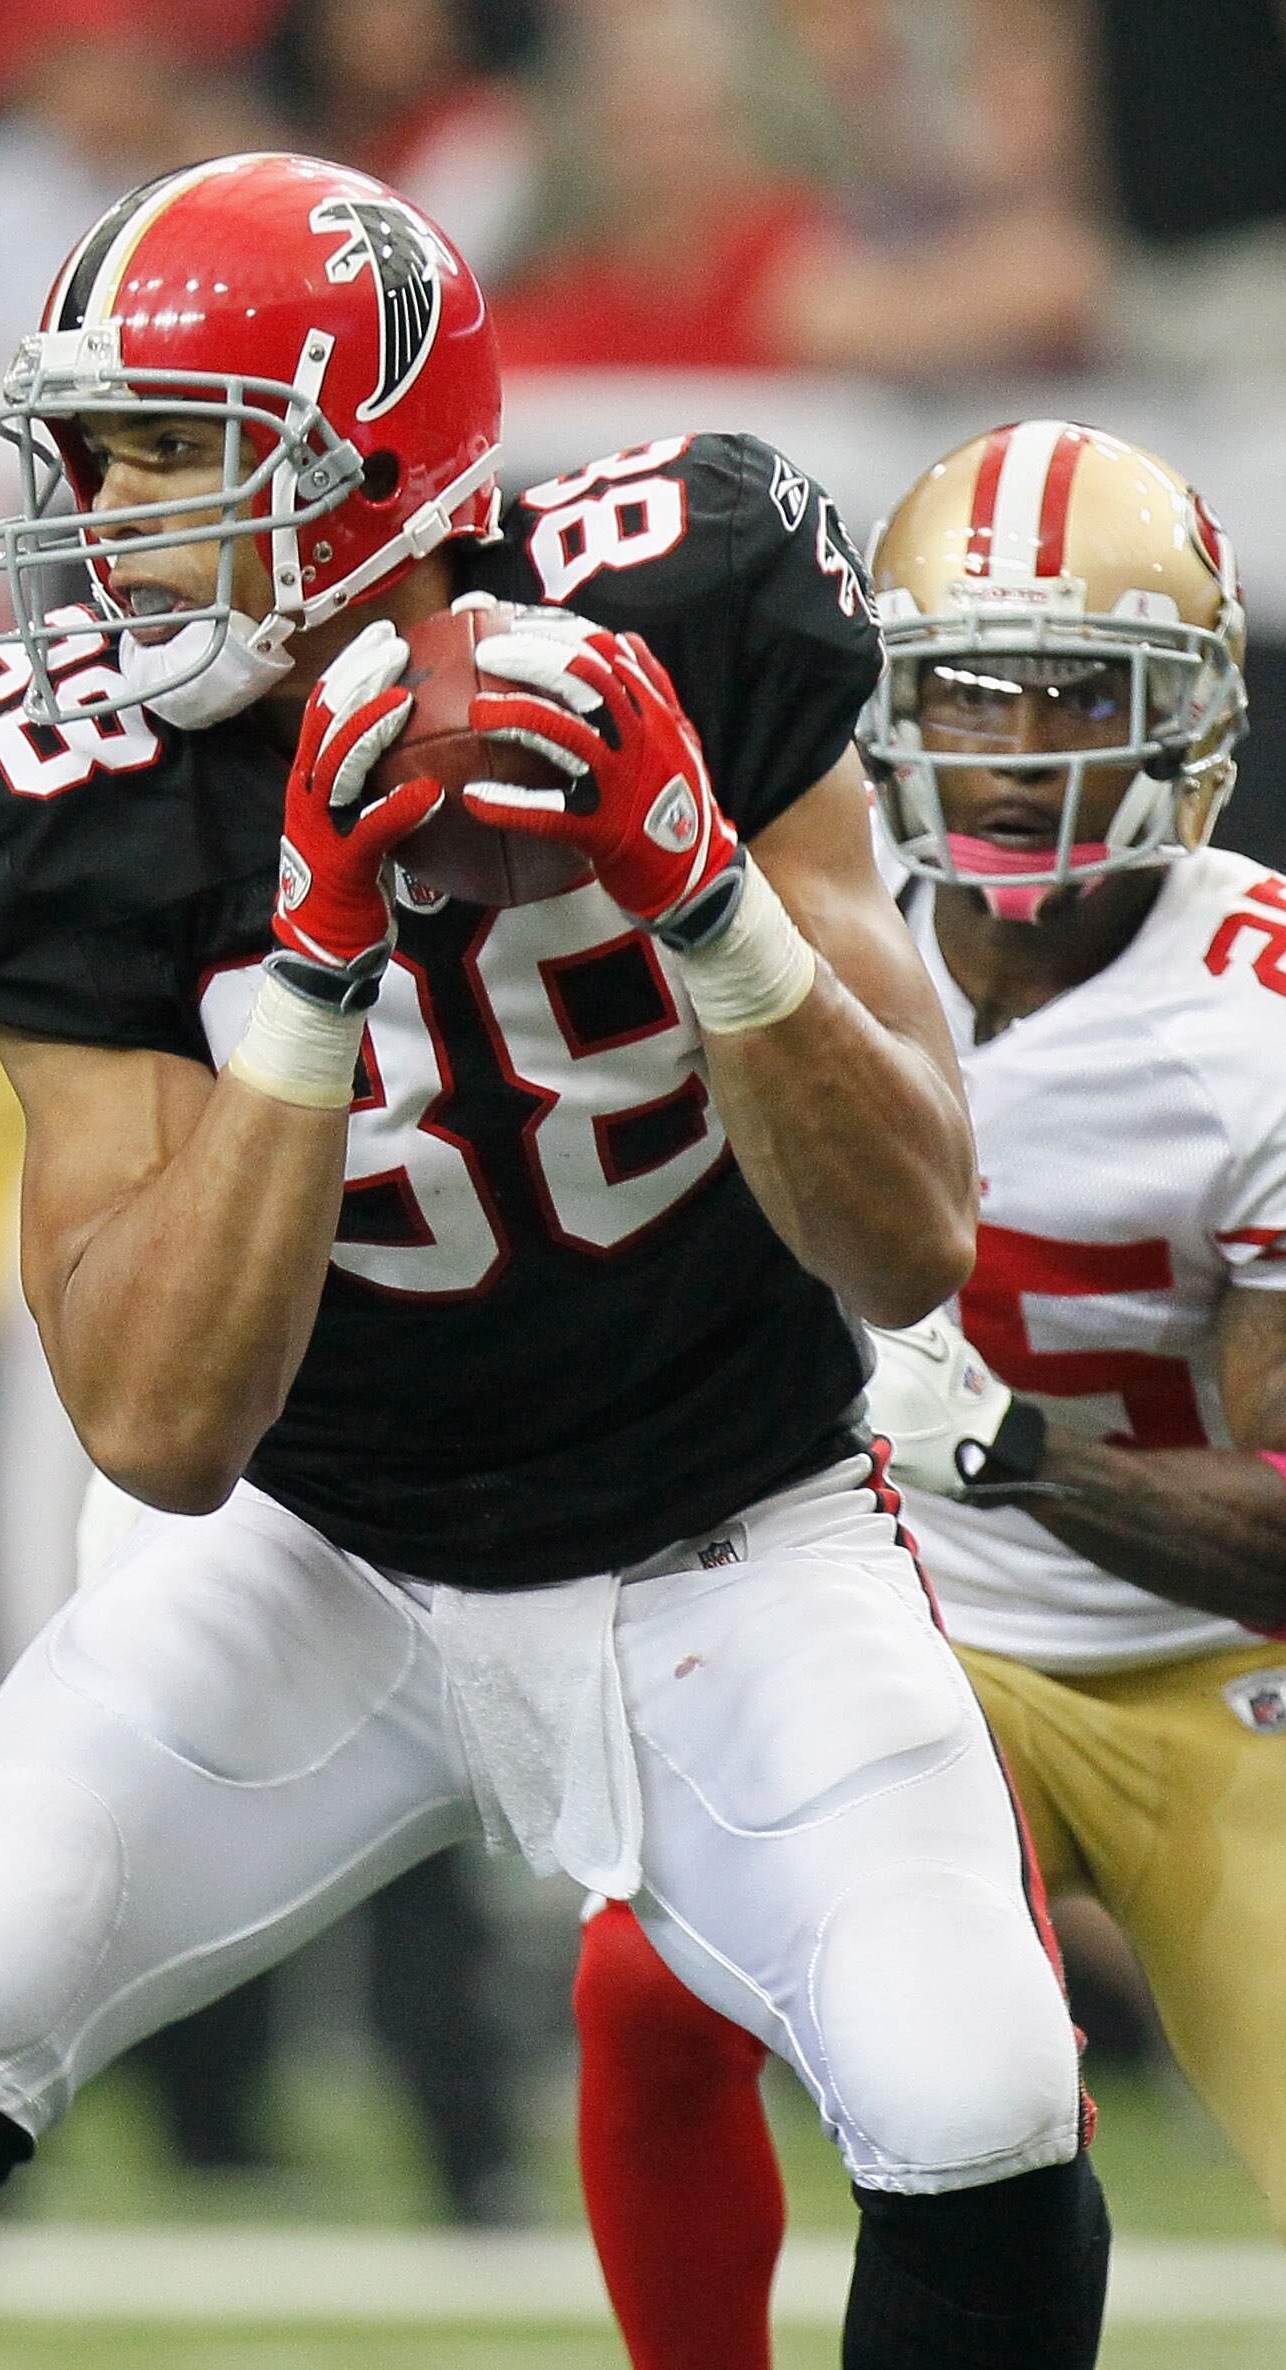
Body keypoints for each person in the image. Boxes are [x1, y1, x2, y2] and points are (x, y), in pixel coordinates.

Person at [0, 159, 1109, 2370]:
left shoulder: (696, 585)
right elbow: (158, 1430)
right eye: (91, 444)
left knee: (977, 2094)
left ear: (371, 461)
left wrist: (702, 893)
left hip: (728, 1531)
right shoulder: (68, 781)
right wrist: (314, 966)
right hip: (311, 1546)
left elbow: (907, 1238)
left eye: (168, 445)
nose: (101, 505)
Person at [572, 417, 1285, 2369]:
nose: (1020, 747)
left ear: (1192, 718)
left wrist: (1000, 1443)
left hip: (1206, 1681)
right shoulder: (795, 920)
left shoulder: (1257, 1017)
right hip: (901, 1629)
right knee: (647, 1986)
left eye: (1079, 696)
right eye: (972, 693)